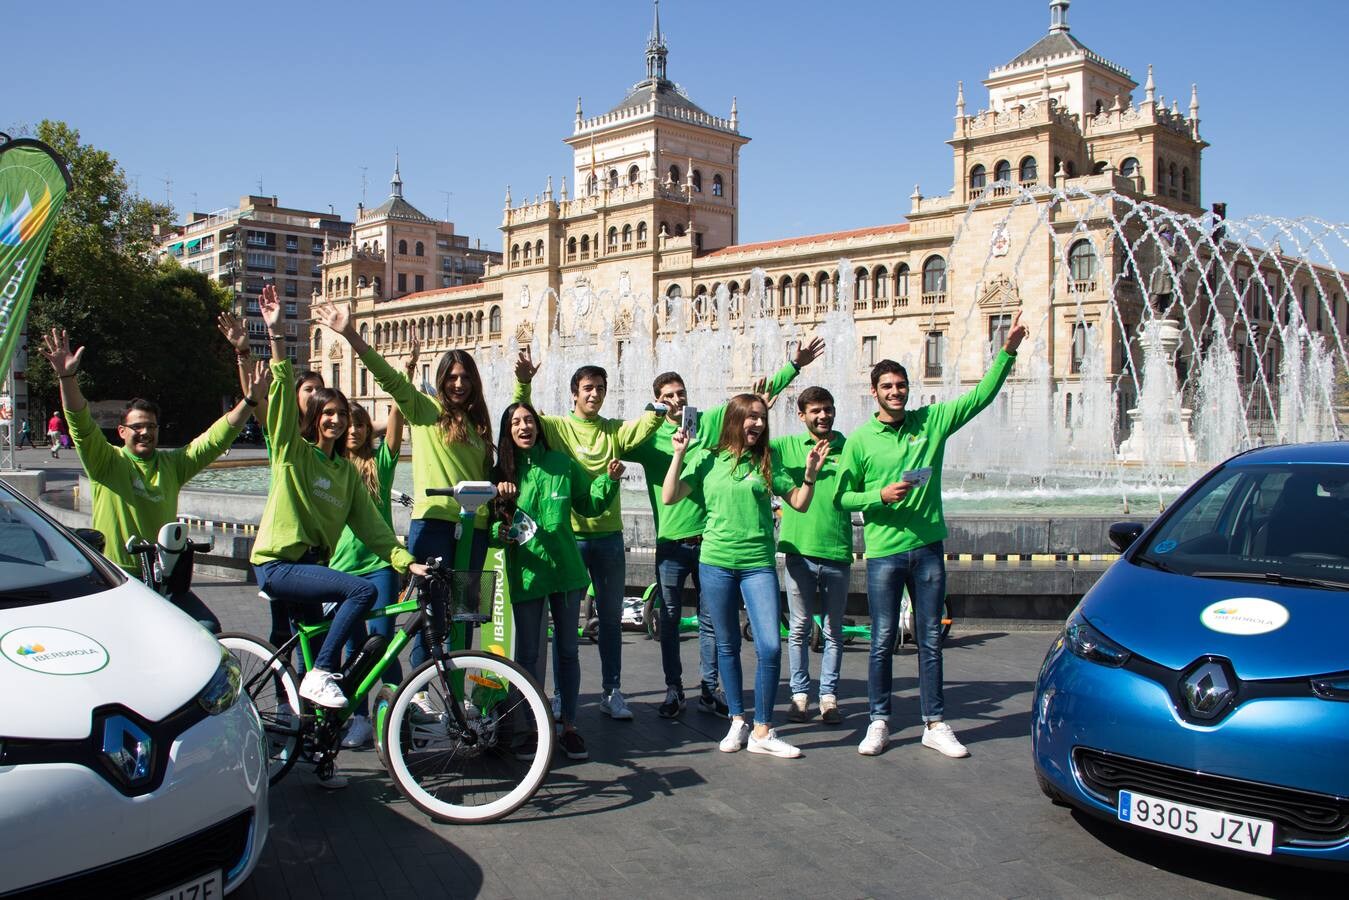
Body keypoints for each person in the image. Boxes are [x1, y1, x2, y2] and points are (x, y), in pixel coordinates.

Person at [249, 291, 427, 783]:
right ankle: (318, 674)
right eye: (326, 413)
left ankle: (319, 750)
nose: (334, 420)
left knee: (326, 641)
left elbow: (371, 528)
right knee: (359, 594)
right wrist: (277, 334)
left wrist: (403, 560)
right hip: (279, 564)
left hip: (310, 570)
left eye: (341, 415)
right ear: (313, 419)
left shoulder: (347, 474)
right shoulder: (292, 452)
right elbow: (283, 396)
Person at [838, 309, 1028, 759]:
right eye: (887, 387)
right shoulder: (861, 440)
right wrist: (878, 496)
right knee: (882, 638)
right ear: (874, 393)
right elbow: (842, 498)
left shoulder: (932, 423)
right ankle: (879, 720)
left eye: (901, 386)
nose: (896, 393)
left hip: (926, 549)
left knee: (929, 638)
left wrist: (1008, 351)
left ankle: (934, 722)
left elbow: (980, 397)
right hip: (884, 552)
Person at [623, 337, 824, 719]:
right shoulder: (648, 439)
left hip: (711, 542)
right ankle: (673, 689)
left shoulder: (708, 425)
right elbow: (609, 443)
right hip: (670, 541)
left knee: (712, 623)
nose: (677, 401)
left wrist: (792, 367)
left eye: (680, 393)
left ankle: (710, 687)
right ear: (656, 401)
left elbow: (751, 405)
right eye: (667, 396)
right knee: (668, 619)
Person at [313, 302, 495, 687]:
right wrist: (350, 335)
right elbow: (390, 382)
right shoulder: (426, 411)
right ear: (441, 379)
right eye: (451, 377)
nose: (458, 384)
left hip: (475, 530)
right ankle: (422, 695)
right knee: (429, 618)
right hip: (434, 527)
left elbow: (489, 473)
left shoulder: (479, 423)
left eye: (465, 377)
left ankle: (456, 693)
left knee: (464, 614)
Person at [38, 327, 267, 633]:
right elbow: (80, 423)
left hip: (163, 575)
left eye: (151, 426)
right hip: (118, 577)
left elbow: (214, 439)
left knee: (207, 627)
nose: (145, 432)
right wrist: (67, 378)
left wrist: (250, 401)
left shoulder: (173, 464)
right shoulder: (106, 461)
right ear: (122, 432)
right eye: (137, 427)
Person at [663, 394, 828, 759]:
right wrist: (678, 453)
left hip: (758, 564)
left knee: (769, 645)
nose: (757, 424)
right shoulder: (708, 459)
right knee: (727, 646)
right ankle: (738, 718)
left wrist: (811, 475)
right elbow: (670, 495)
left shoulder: (768, 461)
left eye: (762, 418)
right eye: (751, 417)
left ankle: (763, 729)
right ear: (734, 420)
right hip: (716, 562)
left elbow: (798, 502)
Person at [512, 348, 662, 720]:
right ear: (574, 394)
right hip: (571, 541)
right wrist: (524, 382)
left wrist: (658, 410)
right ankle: (563, 695)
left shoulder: (612, 430)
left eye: (599, 388)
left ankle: (612, 691)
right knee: (566, 627)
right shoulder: (559, 428)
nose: (594, 394)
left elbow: (640, 427)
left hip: (609, 537)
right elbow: (521, 419)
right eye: (587, 388)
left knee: (611, 619)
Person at [493, 401, 623, 762]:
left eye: (529, 420)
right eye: (516, 422)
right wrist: (499, 527)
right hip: (528, 574)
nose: (524, 427)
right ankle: (526, 727)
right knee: (528, 655)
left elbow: (589, 504)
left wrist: (609, 481)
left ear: (538, 426)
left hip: (567, 573)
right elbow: (489, 525)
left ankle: (568, 725)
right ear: (508, 431)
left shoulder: (561, 464)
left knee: (568, 651)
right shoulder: (502, 473)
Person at [329, 341, 413, 749]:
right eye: (350, 424)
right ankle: (357, 717)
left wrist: (406, 377)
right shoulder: (330, 467)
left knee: (384, 644)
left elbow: (396, 424)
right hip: (340, 568)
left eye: (362, 424)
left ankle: (399, 709)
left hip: (379, 566)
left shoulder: (381, 464)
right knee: (352, 647)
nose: (356, 430)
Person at [772, 386, 853, 726]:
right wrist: (763, 401)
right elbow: (747, 439)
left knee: (834, 629)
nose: (824, 416)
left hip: (836, 550)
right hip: (798, 551)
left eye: (828, 409)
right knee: (800, 627)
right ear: (801, 415)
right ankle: (800, 695)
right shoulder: (786, 447)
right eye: (816, 410)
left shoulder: (848, 447)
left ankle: (829, 697)